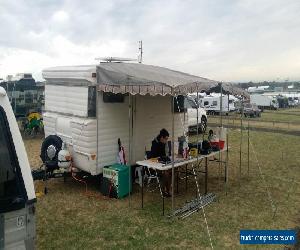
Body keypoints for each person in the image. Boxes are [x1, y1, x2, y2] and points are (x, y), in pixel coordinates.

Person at [150, 128, 172, 197]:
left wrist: (166, 158)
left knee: (172, 171)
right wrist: (161, 158)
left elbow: (164, 155)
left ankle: (168, 189)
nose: (166, 140)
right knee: (166, 173)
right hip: (154, 165)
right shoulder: (155, 143)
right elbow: (153, 158)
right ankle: (165, 191)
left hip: (162, 163)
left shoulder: (163, 143)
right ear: (161, 137)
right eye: (166, 139)